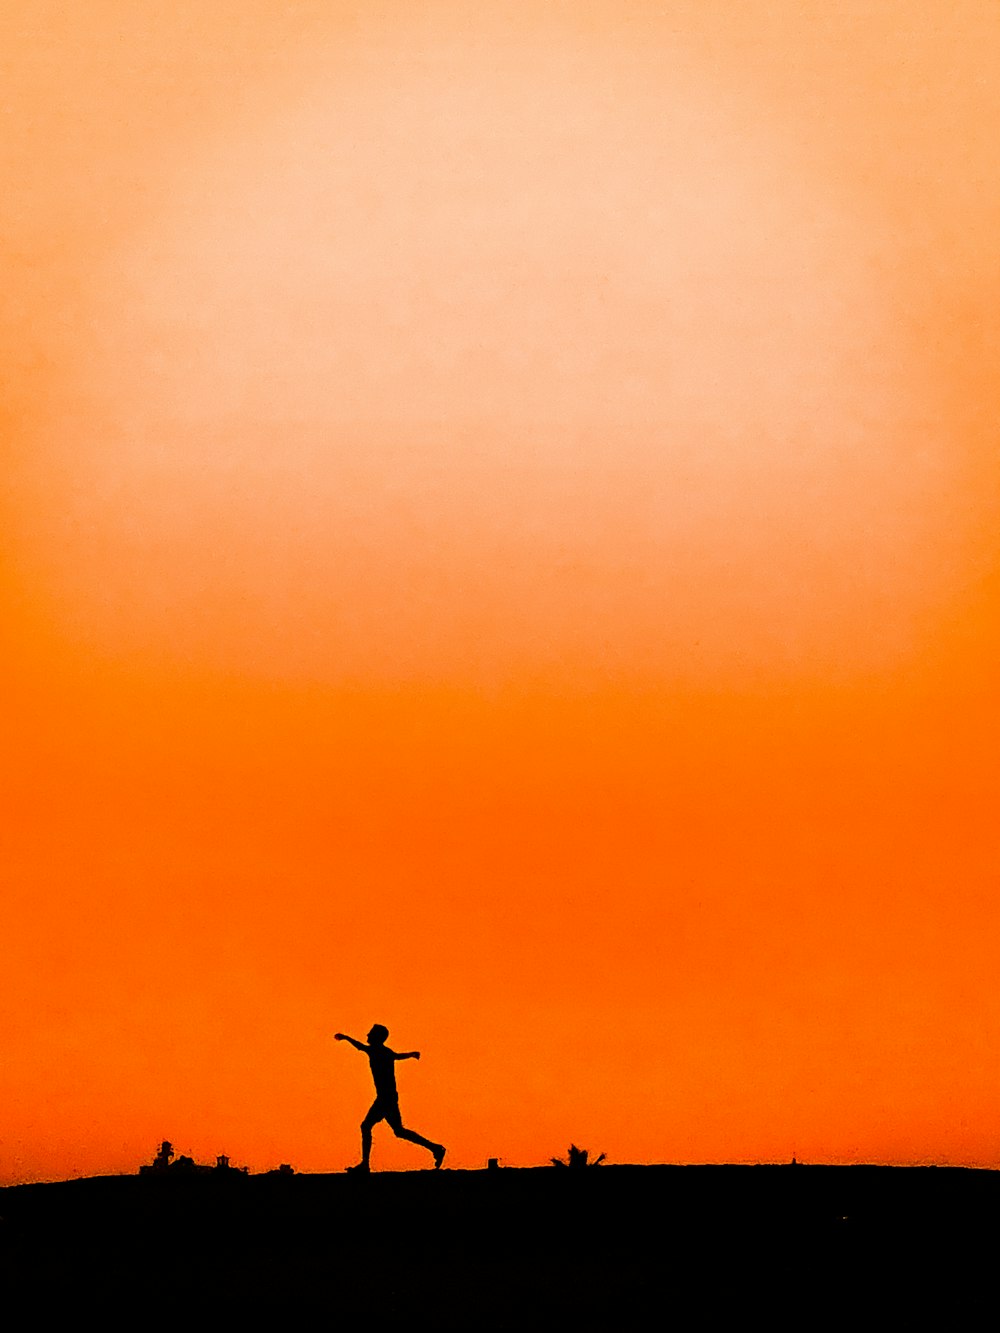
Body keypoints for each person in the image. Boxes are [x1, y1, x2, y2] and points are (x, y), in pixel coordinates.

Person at [335, 1024, 446, 1172]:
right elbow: (398, 1056)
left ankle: (365, 1165)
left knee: (366, 1126)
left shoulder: (376, 1051)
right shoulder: (385, 1052)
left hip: (385, 1098)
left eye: (370, 1034)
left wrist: (345, 1037)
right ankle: (436, 1148)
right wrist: (411, 1054)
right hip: (388, 1097)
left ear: (377, 1037)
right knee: (399, 1131)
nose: (367, 1035)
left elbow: (360, 1047)